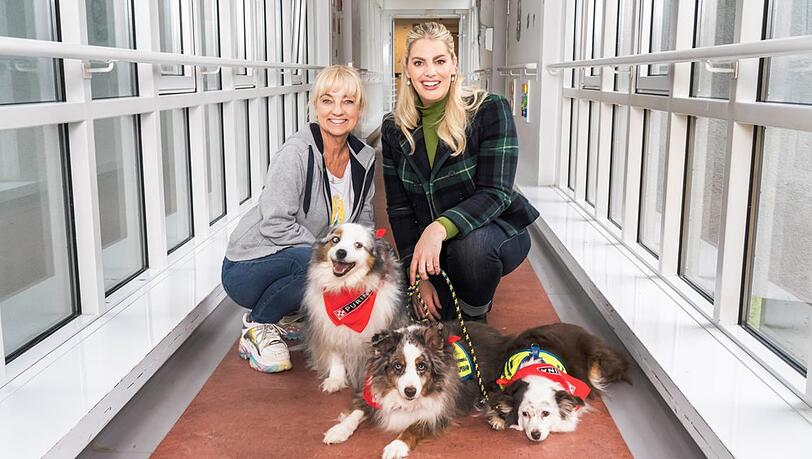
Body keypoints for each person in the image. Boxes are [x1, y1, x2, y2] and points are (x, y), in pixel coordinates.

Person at [381, 22, 539, 323]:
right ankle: (452, 294)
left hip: (492, 231)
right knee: (428, 314)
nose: (430, 72)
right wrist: (417, 281)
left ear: (454, 65)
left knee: (473, 253)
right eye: (419, 63)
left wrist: (438, 228)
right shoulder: (393, 128)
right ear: (407, 71)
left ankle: (475, 322)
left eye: (439, 61)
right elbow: (400, 211)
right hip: (435, 248)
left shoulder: (490, 110)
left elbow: (496, 193)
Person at [222, 65, 375, 373]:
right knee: (315, 262)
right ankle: (258, 324)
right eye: (328, 100)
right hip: (248, 266)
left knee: (357, 269)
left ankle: (288, 313)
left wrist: (370, 260)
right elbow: (275, 223)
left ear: (359, 108)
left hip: (303, 256)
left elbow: (364, 222)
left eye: (347, 101)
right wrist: (331, 253)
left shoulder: (364, 158)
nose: (337, 111)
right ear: (315, 105)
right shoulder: (295, 153)